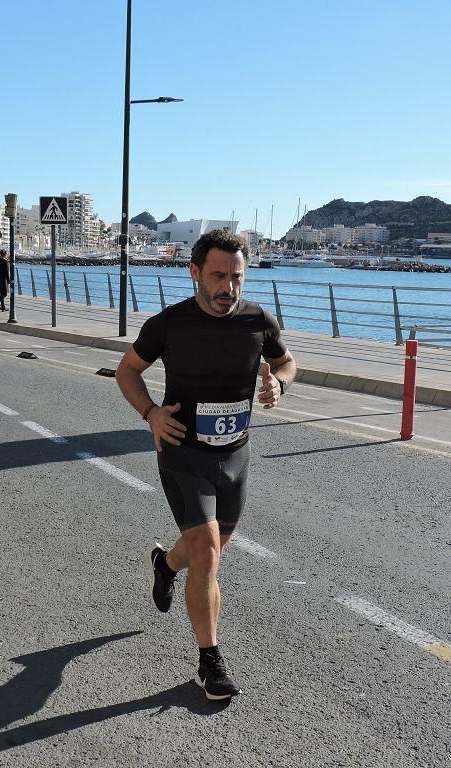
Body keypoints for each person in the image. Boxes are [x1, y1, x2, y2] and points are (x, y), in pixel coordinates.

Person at [115, 229, 296, 701]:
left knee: (203, 552)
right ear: (195, 273)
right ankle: (209, 660)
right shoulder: (170, 324)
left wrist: (279, 383)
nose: (228, 287)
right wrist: (151, 413)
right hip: (183, 452)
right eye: (217, 276)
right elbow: (126, 370)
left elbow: (289, 362)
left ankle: (164, 565)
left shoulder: (258, 321)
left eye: (236, 277)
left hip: (235, 455)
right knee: (208, 552)